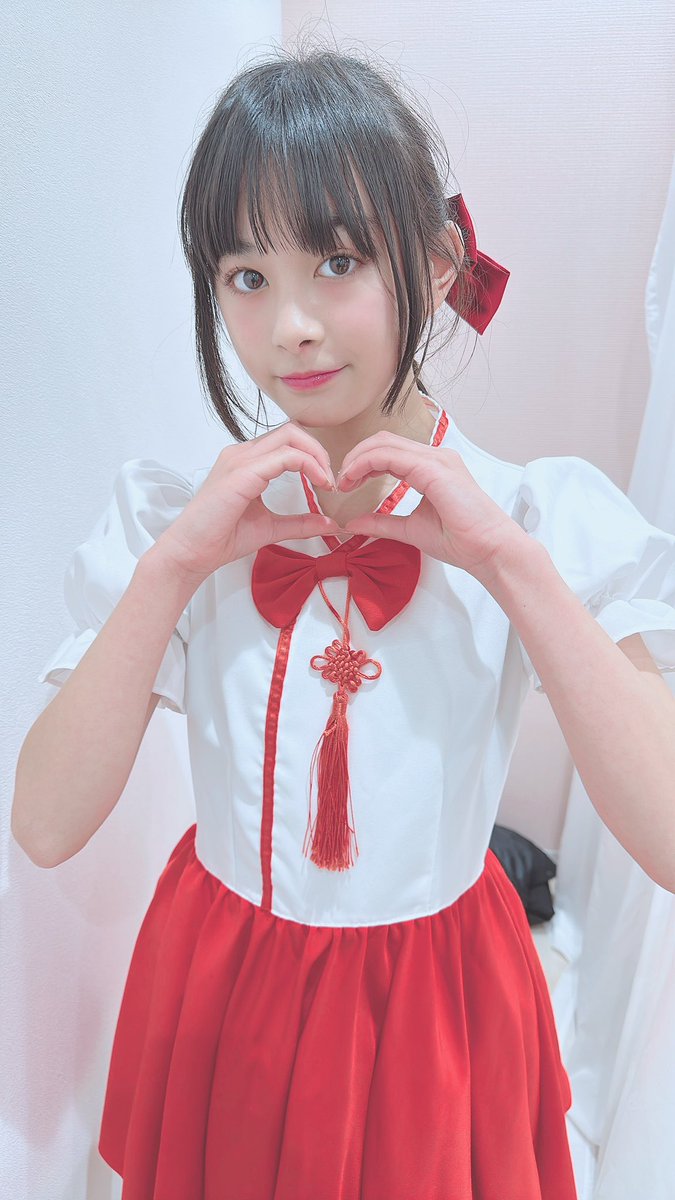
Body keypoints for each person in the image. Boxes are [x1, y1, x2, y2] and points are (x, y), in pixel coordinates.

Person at [13, 43, 675, 1200]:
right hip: (225, 989)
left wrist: (509, 565)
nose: (291, 327)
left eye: (337, 259)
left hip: (434, 1005)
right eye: (245, 275)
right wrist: (175, 568)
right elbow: (46, 824)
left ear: (437, 261)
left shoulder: (537, 519)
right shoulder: (177, 527)